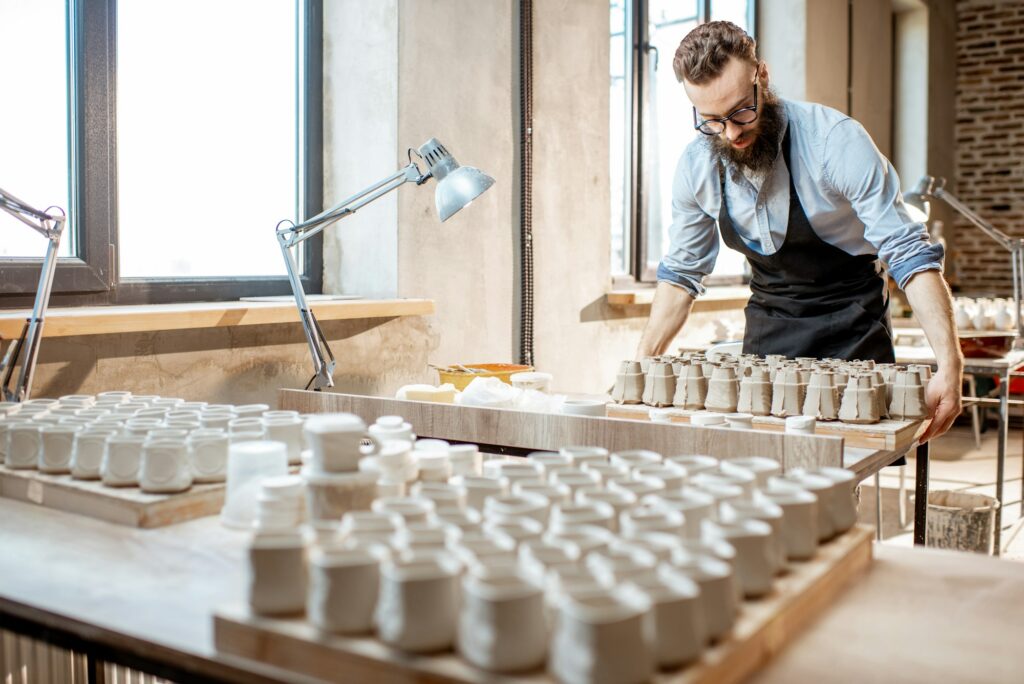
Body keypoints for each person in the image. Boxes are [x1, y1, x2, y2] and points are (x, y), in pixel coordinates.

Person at [637, 21, 961, 443]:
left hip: (849, 327)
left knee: (839, 476)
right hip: (770, 326)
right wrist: (643, 363)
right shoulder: (697, 166)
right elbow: (681, 275)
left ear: (763, 77)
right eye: (713, 121)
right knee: (761, 465)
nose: (731, 133)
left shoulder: (833, 141)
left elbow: (909, 255)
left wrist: (950, 364)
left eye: (741, 112)